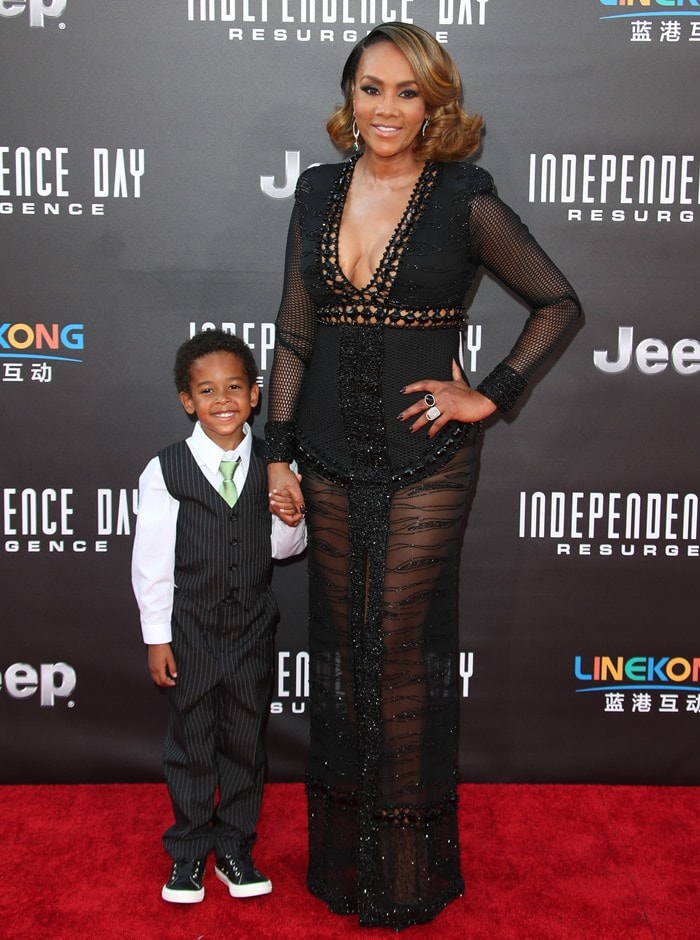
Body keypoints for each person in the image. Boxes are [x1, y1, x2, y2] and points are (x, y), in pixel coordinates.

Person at [265, 22, 581, 930]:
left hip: (426, 461)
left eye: (408, 91)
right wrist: (277, 449)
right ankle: (345, 863)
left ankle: (402, 872)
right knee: (341, 653)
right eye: (371, 88)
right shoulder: (318, 191)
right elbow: (293, 330)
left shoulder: (463, 198)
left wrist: (491, 393)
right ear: (348, 96)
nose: (387, 108)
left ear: (435, 102)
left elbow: (558, 302)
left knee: (395, 648)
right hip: (321, 454)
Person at [132, 329, 306, 904]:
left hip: (253, 628)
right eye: (207, 390)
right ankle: (187, 852)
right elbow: (151, 563)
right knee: (191, 742)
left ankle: (234, 847)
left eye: (235, 386)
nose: (223, 399)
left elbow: (285, 549)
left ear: (255, 395)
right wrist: (157, 637)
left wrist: (288, 514)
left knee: (243, 743)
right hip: (191, 630)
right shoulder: (167, 470)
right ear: (188, 401)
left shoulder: (276, 465)